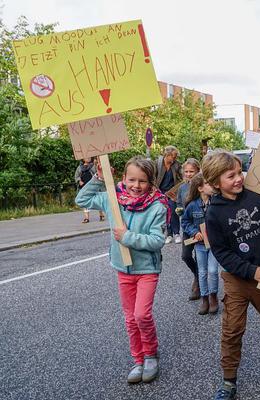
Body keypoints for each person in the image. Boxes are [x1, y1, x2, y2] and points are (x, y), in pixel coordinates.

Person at [203, 151, 260, 400]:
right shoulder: (214, 213)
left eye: (239, 172)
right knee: (232, 330)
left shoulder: (256, 196)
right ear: (215, 182)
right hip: (237, 279)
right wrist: (250, 271)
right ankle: (229, 379)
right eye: (230, 176)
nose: (238, 179)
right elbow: (221, 252)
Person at [75, 156, 168, 384]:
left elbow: (157, 240)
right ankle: (137, 359)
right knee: (129, 319)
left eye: (142, 181)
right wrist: (99, 177)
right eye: (131, 179)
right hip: (123, 269)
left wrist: (128, 237)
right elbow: (81, 199)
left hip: (147, 269)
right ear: (123, 178)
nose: (136, 186)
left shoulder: (157, 205)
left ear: (151, 182)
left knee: (141, 315)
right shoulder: (113, 199)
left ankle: (150, 355)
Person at [181, 172, 219, 315]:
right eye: (208, 183)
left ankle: (213, 296)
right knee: (202, 272)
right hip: (200, 245)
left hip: (214, 245)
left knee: (213, 271)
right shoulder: (192, 206)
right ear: (200, 188)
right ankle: (204, 298)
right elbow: (185, 221)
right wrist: (194, 232)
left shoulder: (216, 202)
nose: (212, 186)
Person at [176, 158, 202, 301]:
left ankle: (198, 284)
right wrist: (179, 210)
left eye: (191, 171)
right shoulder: (181, 188)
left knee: (200, 257)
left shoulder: (202, 185)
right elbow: (179, 204)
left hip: (201, 228)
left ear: (198, 171)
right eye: (186, 171)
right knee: (185, 256)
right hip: (187, 228)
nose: (188, 174)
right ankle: (197, 275)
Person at [155, 146, 182, 244]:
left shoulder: (176, 165)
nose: (175, 159)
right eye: (174, 156)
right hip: (160, 192)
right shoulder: (157, 163)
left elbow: (181, 176)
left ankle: (177, 233)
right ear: (168, 155)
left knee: (173, 211)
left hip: (172, 192)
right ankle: (169, 234)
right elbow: (153, 178)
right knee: (165, 213)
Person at [74, 157, 105, 223]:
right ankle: (86, 218)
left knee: (98, 200)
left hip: (93, 186)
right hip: (85, 186)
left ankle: (101, 215)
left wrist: (96, 164)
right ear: (83, 159)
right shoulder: (80, 167)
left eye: (89, 157)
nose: (88, 158)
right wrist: (79, 181)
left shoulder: (93, 166)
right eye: (86, 157)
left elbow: (97, 172)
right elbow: (77, 176)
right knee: (85, 202)